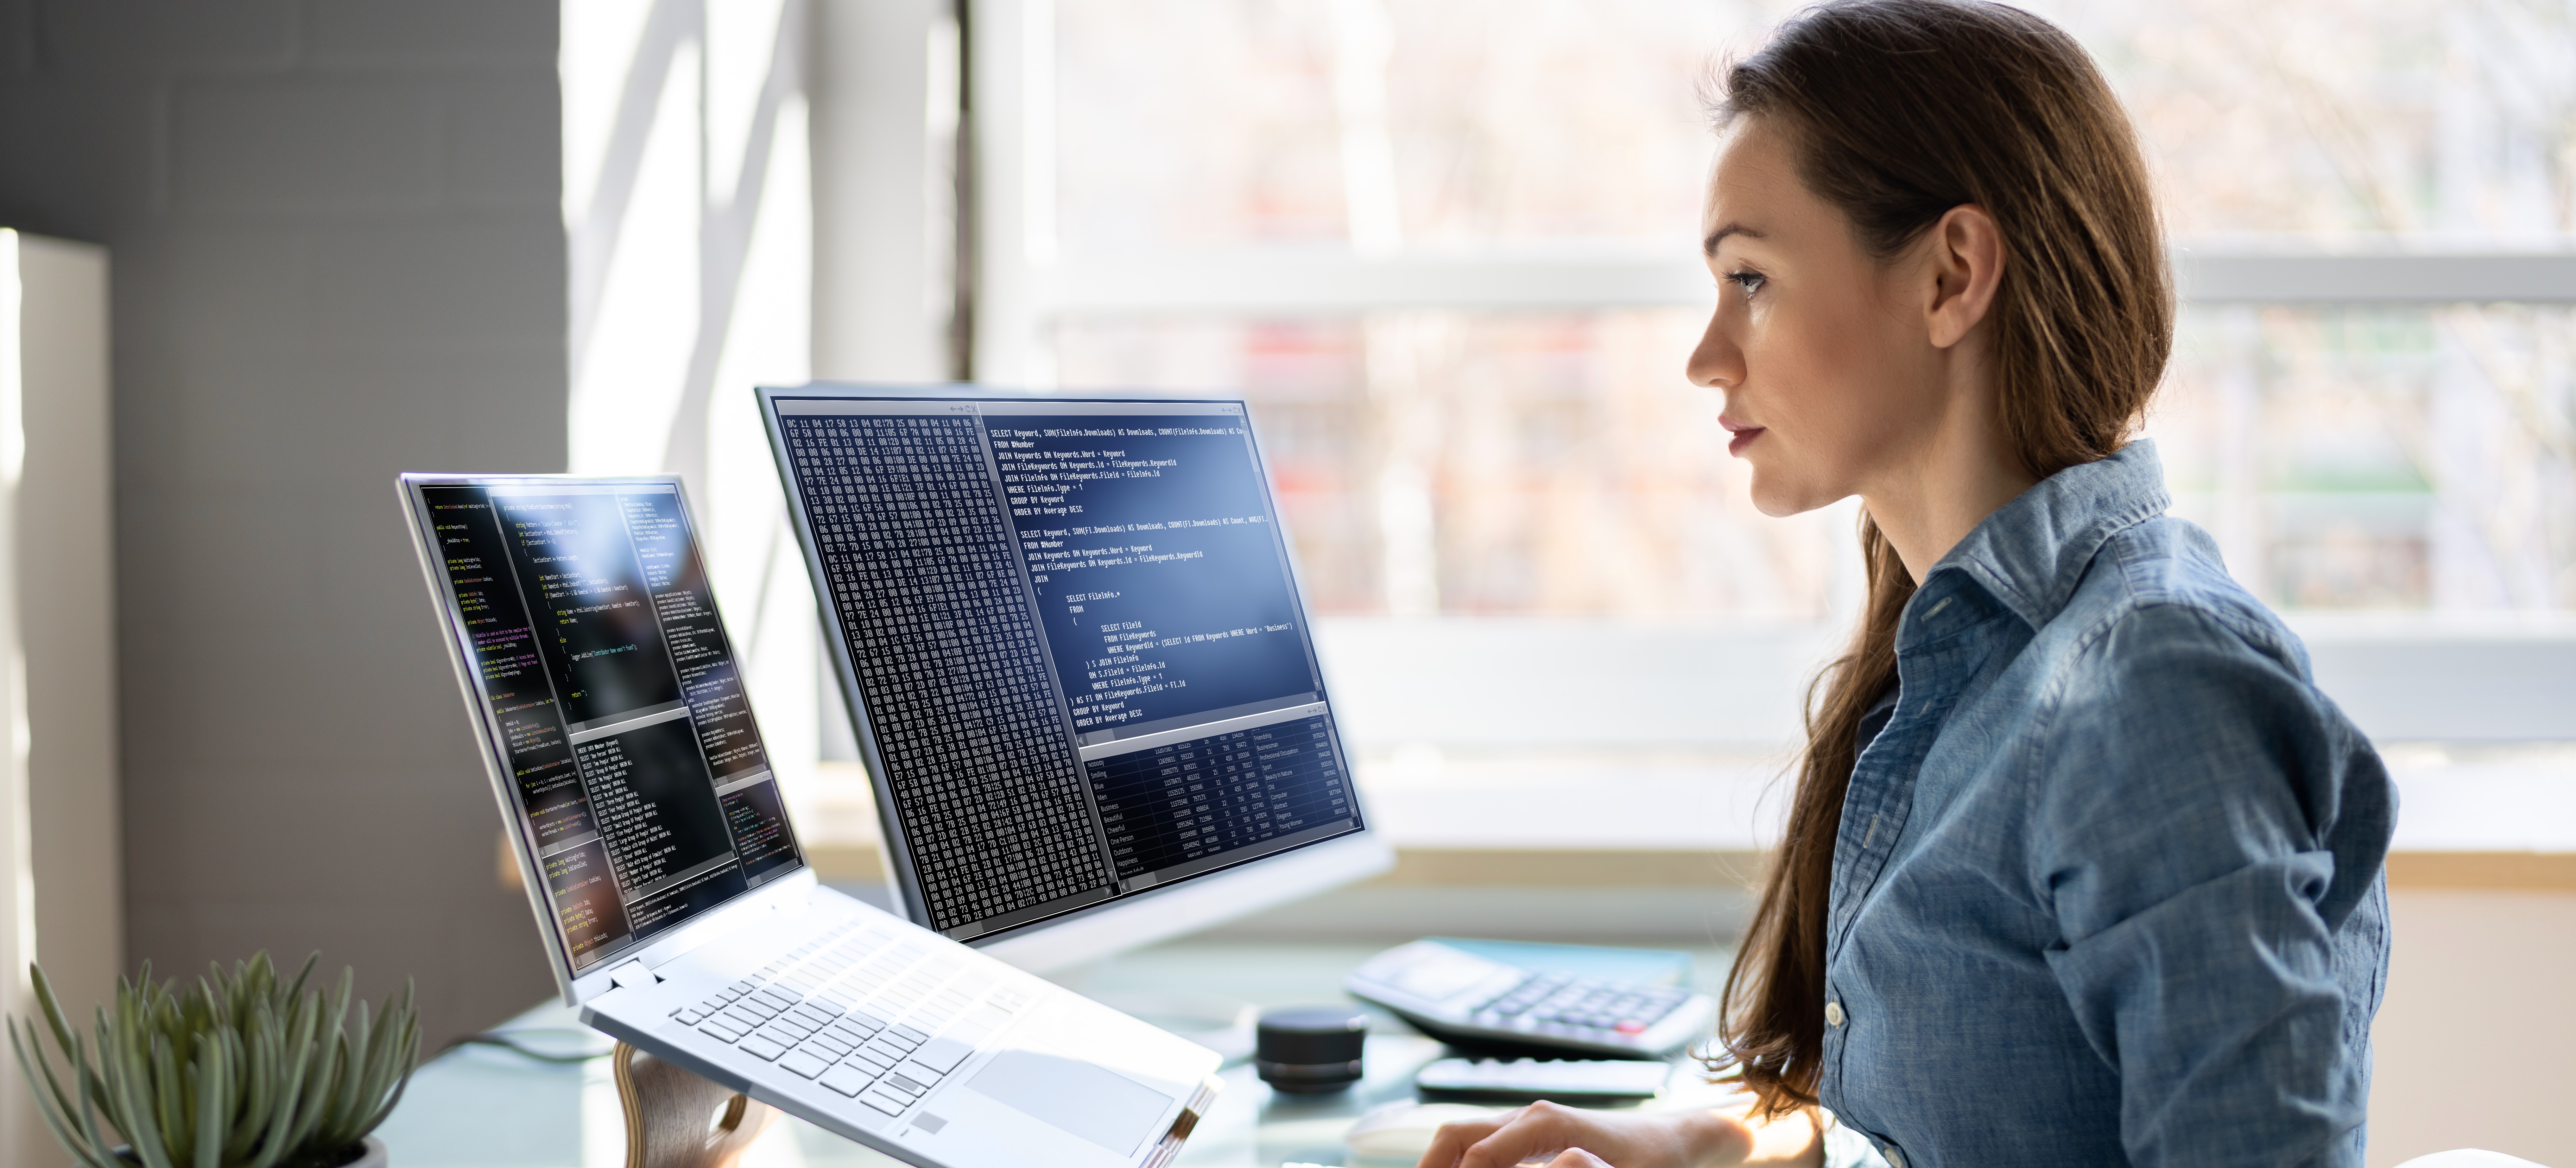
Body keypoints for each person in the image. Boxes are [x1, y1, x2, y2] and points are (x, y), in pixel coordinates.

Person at [1415, 2, 2395, 1166]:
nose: (1705, 356)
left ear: (1950, 277)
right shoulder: (1964, 657)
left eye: (1752, 279)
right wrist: (1703, 1146)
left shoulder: (2152, 689)